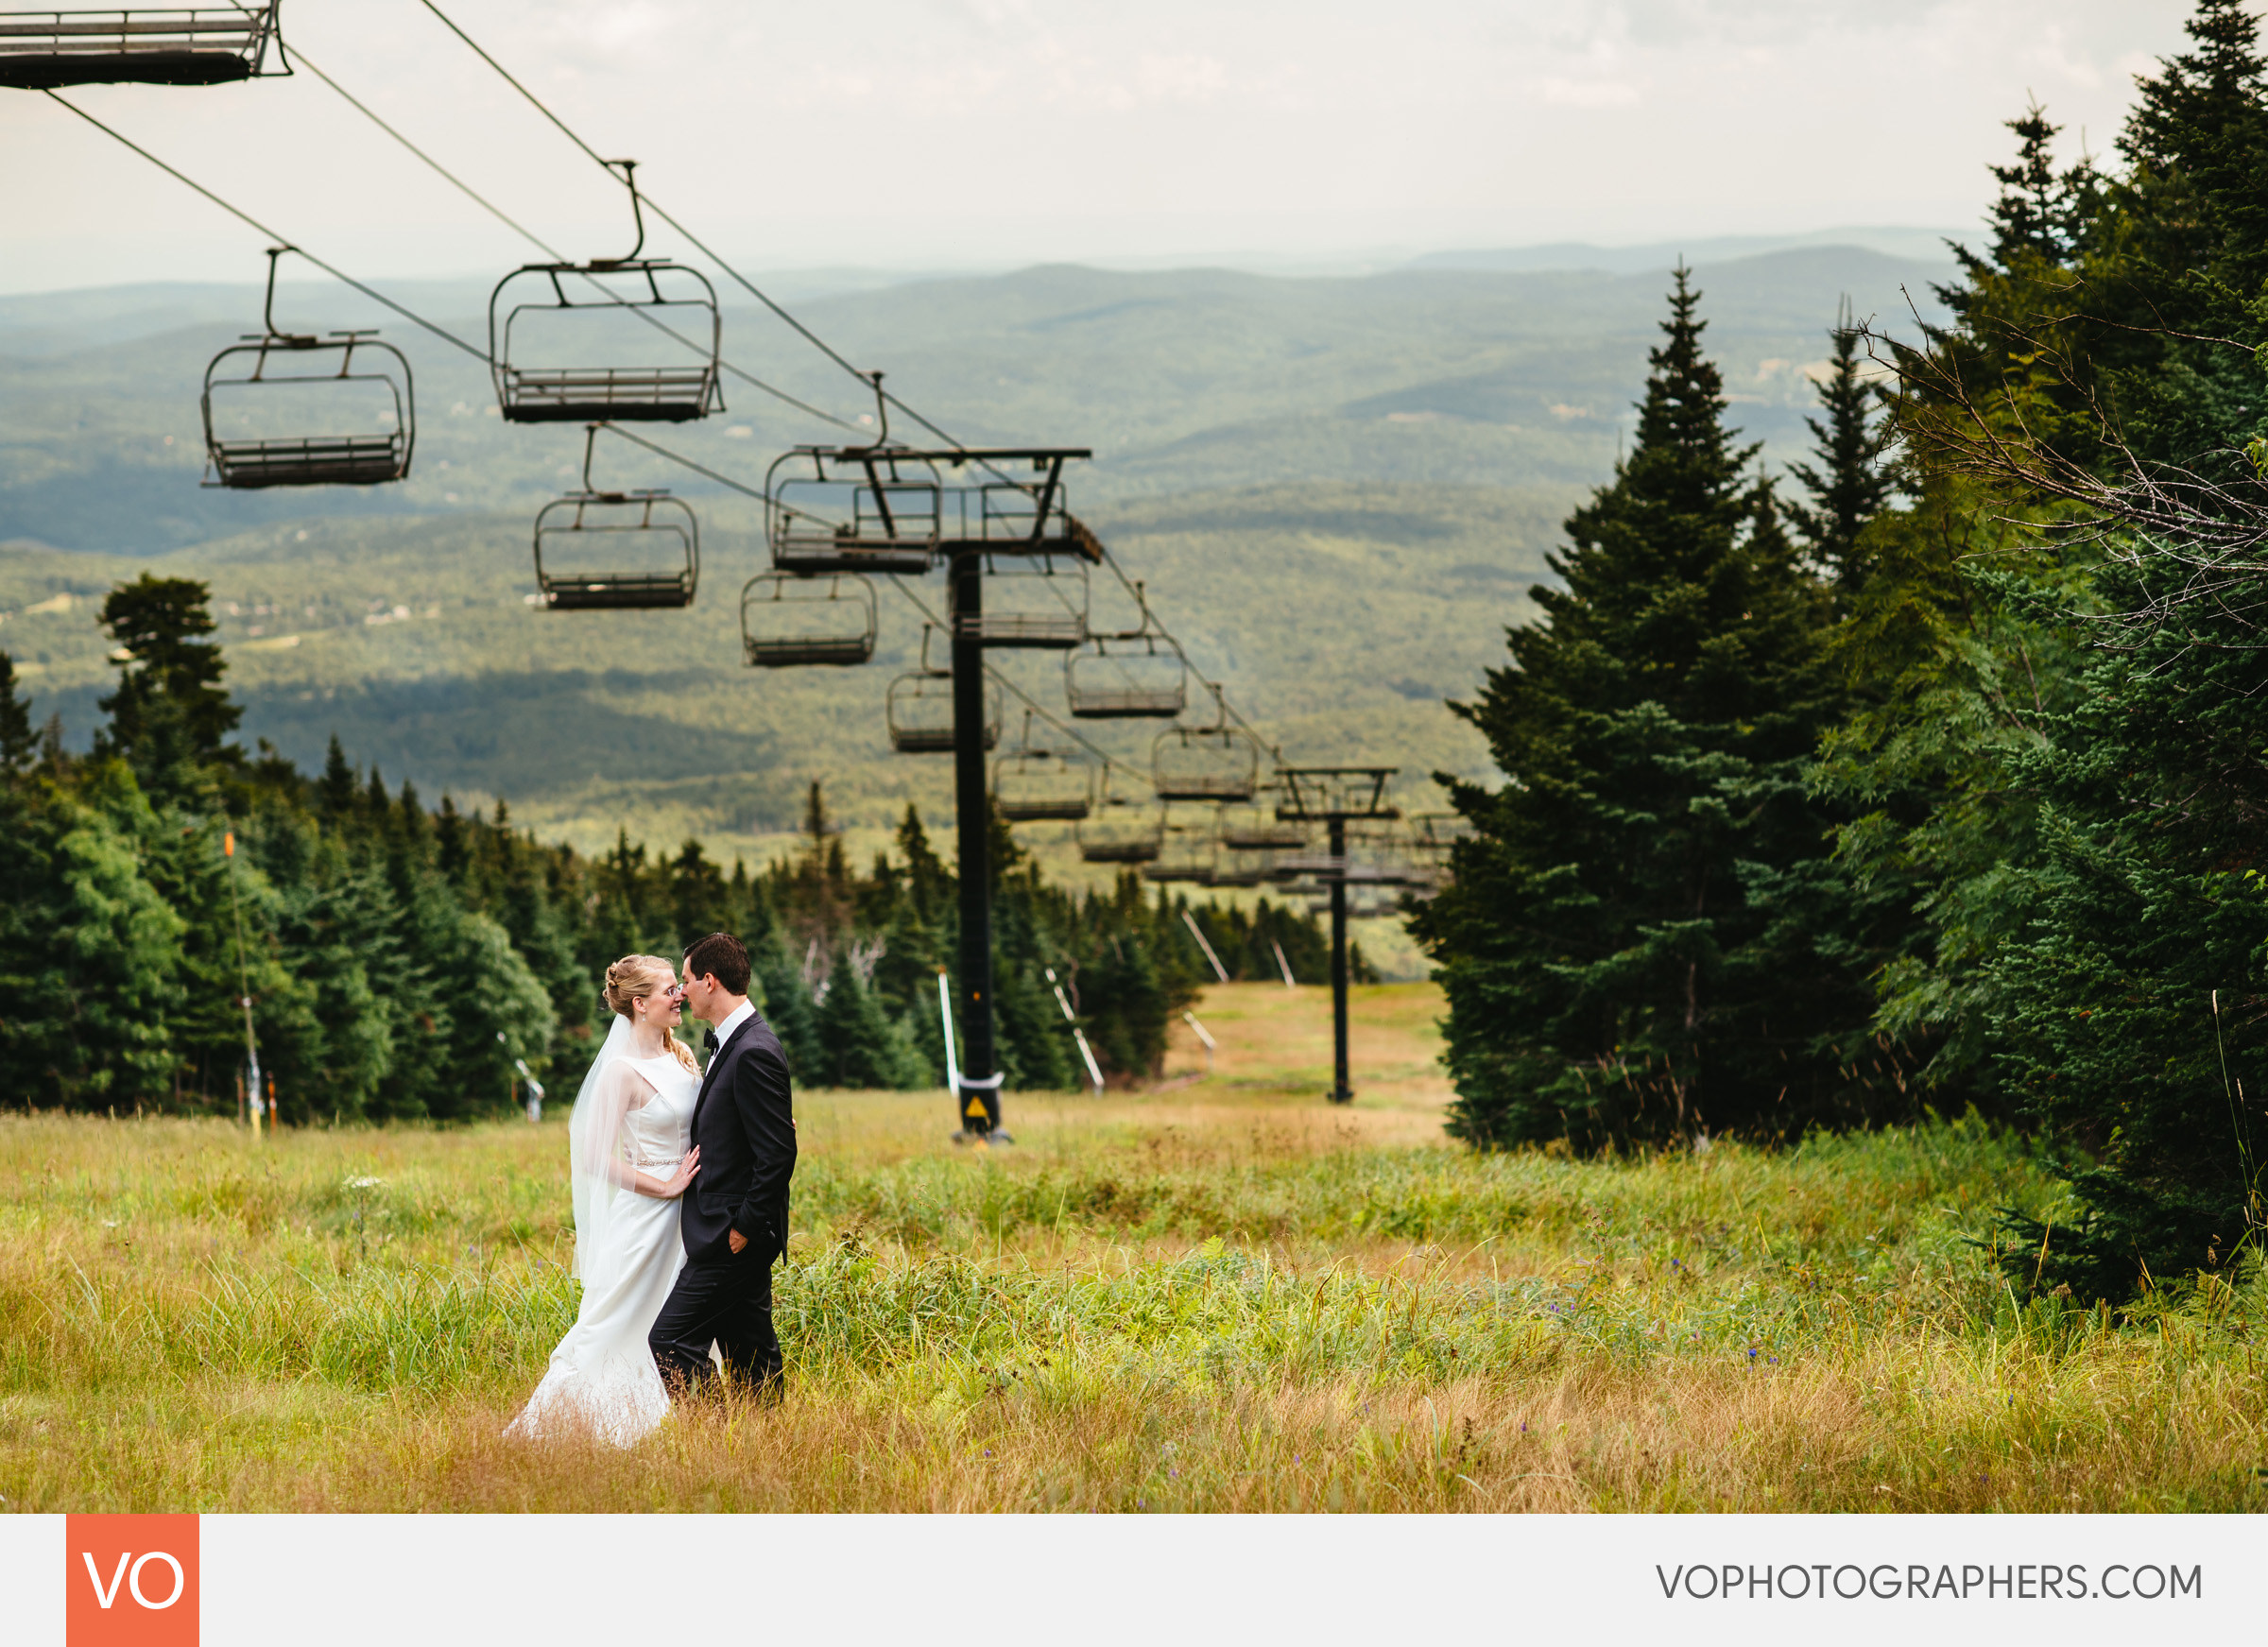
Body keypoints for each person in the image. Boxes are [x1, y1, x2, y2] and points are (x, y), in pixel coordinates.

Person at [506, 954, 703, 1447]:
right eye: (668, 990)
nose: (680, 994)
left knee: (675, 1320)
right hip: (647, 1217)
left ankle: (668, 1420)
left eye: (679, 986)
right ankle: (559, 1429)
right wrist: (664, 1187)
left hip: (689, 1220)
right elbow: (594, 1156)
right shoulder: (622, 1072)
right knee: (615, 1320)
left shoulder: (681, 1056)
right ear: (639, 1005)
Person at [648, 931, 796, 1402]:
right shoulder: (735, 1043)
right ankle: (762, 1444)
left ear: (710, 982)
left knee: (669, 1339)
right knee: (750, 1350)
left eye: (686, 980)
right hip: (730, 1228)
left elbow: (778, 1155)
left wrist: (743, 1228)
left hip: (733, 1232)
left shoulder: (752, 1050)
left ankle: (711, 1433)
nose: (681, 990)